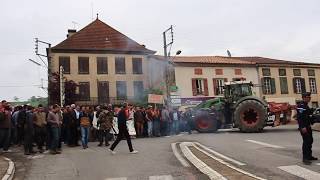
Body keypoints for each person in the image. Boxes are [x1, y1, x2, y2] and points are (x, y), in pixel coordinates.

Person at [297, 92, 317, 165]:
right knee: (306, 142)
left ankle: (309, 155)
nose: (309, 98)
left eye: (310, 97)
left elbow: (308, 116)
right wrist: (302, 127)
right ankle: (305, 158)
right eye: (308, 97)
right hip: (304, 127)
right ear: (304, 98)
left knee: (310, 140)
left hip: (308, 126)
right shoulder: (301, 106)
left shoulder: (306, 106)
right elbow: (300, 118)